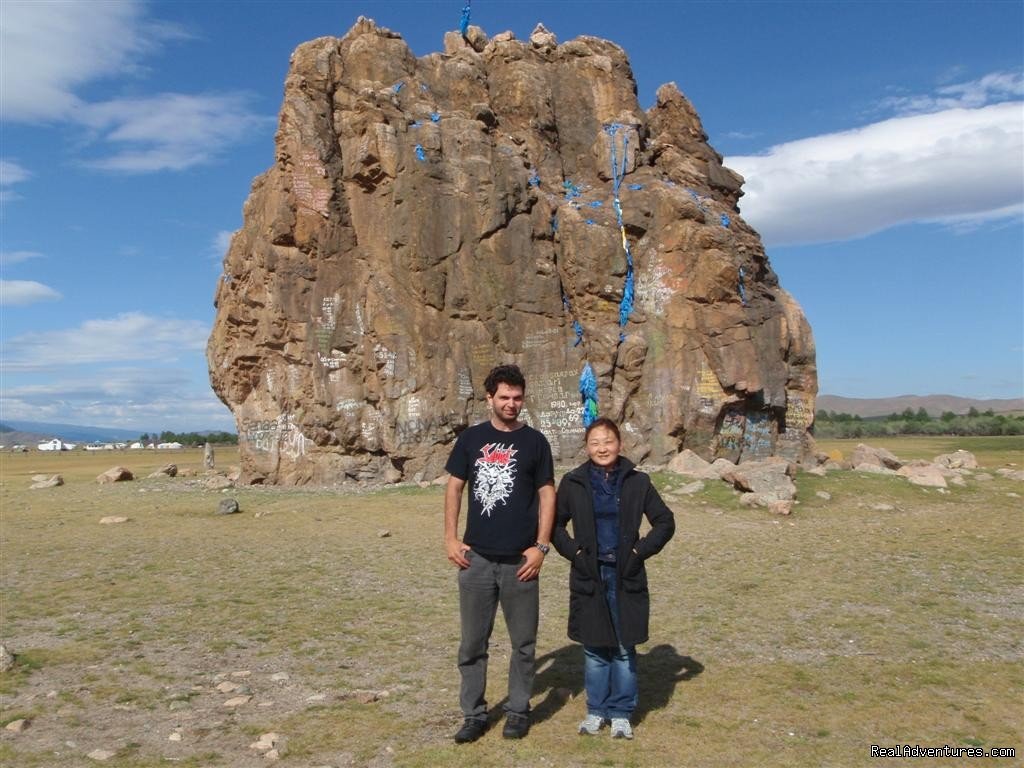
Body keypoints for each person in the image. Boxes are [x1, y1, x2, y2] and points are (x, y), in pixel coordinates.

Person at [444, 364, 556, 743]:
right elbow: (455, 488)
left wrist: (541, 547)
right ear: (489, 398)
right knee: (472, 644)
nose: (511, 404)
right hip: (476, 560)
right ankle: (474, 714)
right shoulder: (471, 439)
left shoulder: (536, 442)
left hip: (521, 563)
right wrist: (449, 538)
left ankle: (518, 711)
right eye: (504, 397)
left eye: (517, 397)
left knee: (523, 644)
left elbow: (547, 494)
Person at [552, 416, 675, 740]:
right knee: (594, 648)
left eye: (608, 441)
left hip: (626, 574)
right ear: (587, 447)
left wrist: (638, 553)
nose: (602, 447)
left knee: (623, 647)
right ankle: (596, 711)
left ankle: (621, 713)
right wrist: (575, 554)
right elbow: (554, 525)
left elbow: (664, 522)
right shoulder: (573, 482)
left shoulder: (638, 482)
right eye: (595, 442)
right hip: (590, 574)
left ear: (620, 444)